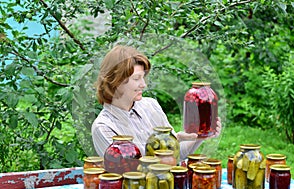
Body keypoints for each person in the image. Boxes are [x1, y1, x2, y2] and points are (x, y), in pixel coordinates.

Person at [91, 45, 221, 161]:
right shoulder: (103, 127)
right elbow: (132, 171)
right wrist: (175, 140)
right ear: (116, 81)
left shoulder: (151, 105)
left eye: (143, 77)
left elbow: (176, 155)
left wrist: (199, 136)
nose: (143, 85)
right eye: (136, 79)